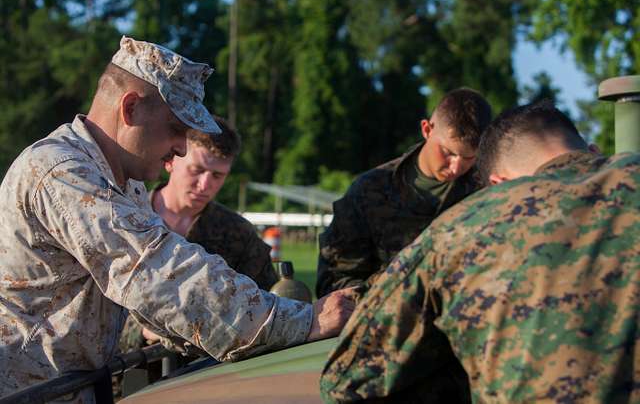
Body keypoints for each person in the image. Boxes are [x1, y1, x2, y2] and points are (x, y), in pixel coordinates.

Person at [0, 36, 354, 402]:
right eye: (176, 129)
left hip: (69, 388)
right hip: (30, 391)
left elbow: (156, 297)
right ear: (131, 108)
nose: (182, 148)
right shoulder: (62, 173)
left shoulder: (124, 183)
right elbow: (160, 273)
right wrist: (300, 322)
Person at [320, 101, 640, 403]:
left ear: (498, 184)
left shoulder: (463, 226)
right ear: (594, 152)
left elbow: (346, 379)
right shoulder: (374, 190)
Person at [316, 87, 492, 298]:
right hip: (385, 322)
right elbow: (333, 282)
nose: (456, 167)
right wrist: (399, 292)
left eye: (469, 158)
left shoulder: (487, 192)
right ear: (427, 129)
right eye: (448, 152)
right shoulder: (370, 191)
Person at [119, 120, 277, 354]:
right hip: (127, 374)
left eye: (217, 175)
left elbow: (265, 310)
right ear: (171, 160)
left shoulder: (238, 235)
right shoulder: (126, 220)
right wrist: (141, 330)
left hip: (205, 374)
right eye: (197, 170)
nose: (205, 185)